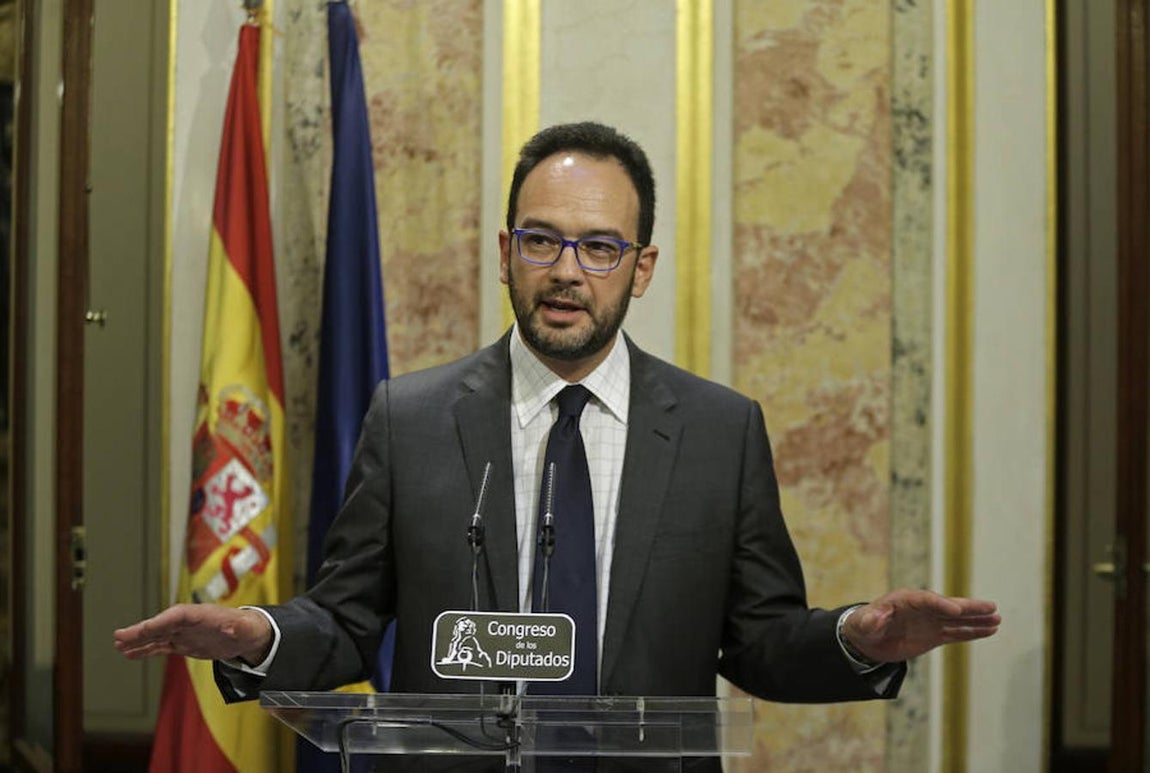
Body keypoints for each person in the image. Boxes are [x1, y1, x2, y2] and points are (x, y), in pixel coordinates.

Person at [115, 121, 999, 758]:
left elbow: (759, 639)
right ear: (506, 252)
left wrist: (862, 636)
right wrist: (253, 634)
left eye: (600, 247)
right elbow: (347, 621)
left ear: (642, 266)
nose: (567, 270)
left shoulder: (719, 431)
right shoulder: (412, 418)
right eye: (542, 241)